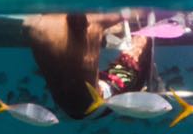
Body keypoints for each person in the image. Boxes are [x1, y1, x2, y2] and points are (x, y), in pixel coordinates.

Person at [22, 12, 152, 119]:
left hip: (65, 104)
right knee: (138, 49)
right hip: (94, 103)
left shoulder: (37, 24)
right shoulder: (87, 21)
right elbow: (128, 11)